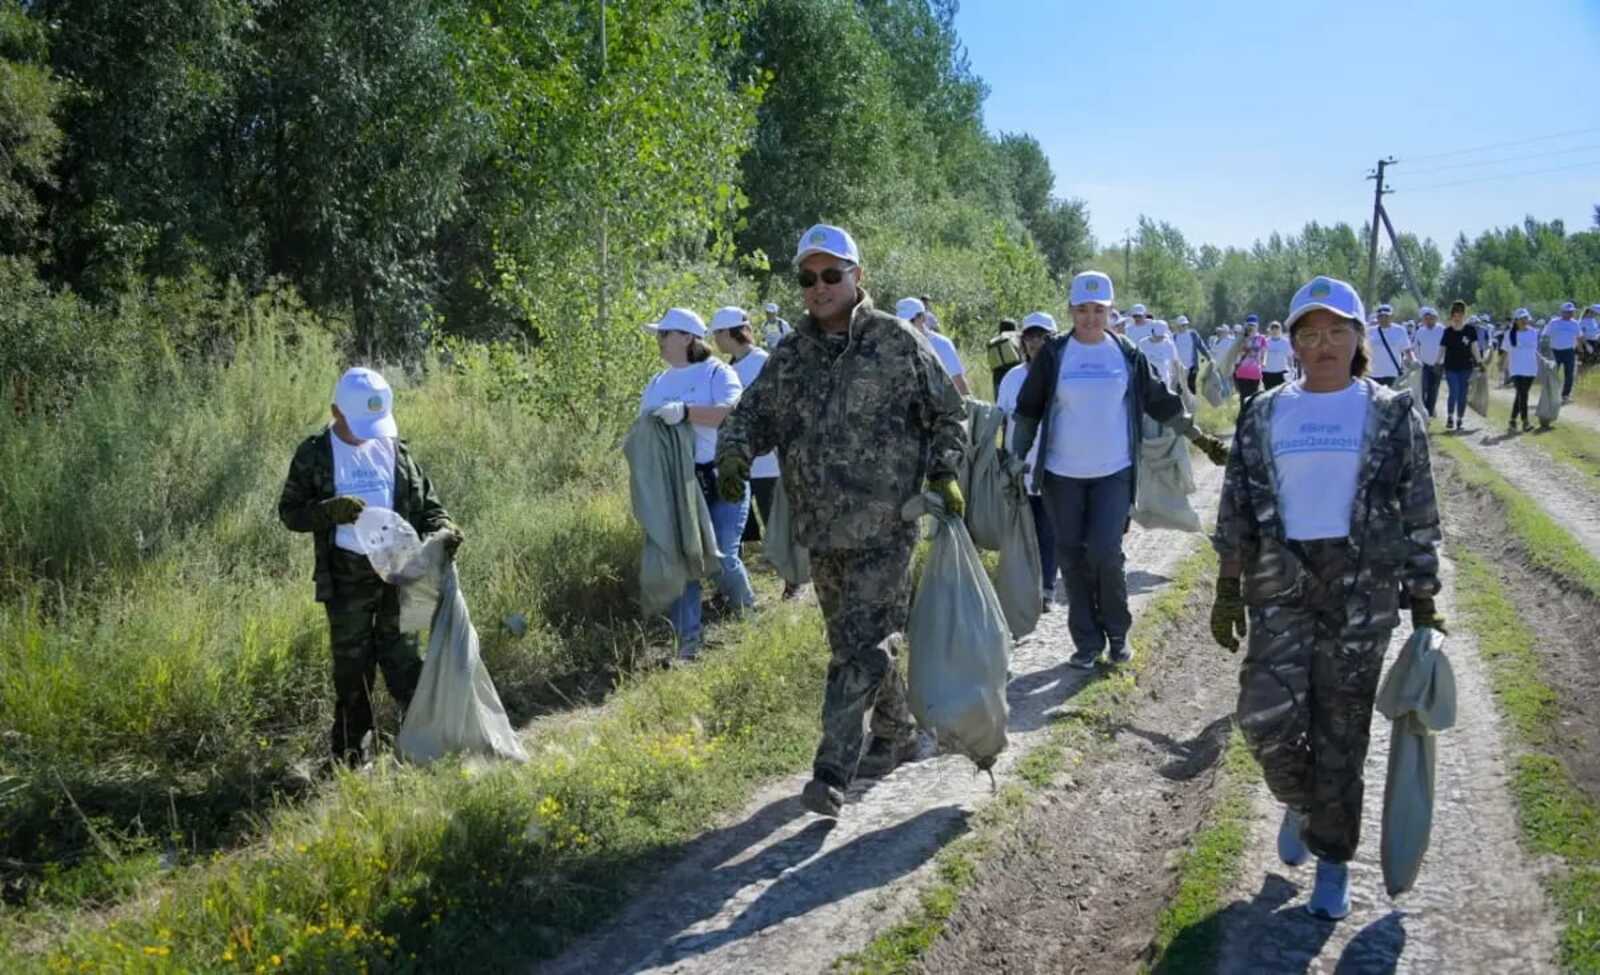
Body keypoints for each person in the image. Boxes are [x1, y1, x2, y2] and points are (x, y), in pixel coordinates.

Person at [1210, 274, 1442, 921]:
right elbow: (1236, 508)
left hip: (1361, 591)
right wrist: (1228, 586)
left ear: (1360, 338)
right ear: (1292, 344)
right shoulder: (1264, 412)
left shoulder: (1392, 413)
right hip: (1279, 584)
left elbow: (1420, 510)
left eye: (1337, 331)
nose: (1323, 344)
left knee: (1342, 732)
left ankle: (1333, 863)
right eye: (1309, 333)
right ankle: (1307, 804)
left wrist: (1424, 600)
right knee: (1264, 718)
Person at [717, 224, 967, 818]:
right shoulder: (792, 353)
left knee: (861, 648)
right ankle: (898, 731)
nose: (819, 287)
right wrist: (733, 453)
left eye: (832, 275)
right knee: (852, 642)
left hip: (887, 523)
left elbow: (947, 415)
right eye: (808, 277)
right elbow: (752, 415)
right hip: (822, 526)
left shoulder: (897, 341)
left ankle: (832, 769)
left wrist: (944, 473)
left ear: (858, 277)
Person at [1010, 271, 1229, 670]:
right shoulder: (1055, 354)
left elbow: (1161, 403)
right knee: (1072, 556)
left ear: (1112, 312)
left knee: (1105, 552)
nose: (1091, 318)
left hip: (1114, 472)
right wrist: (1014, 459)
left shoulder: (1126, 353)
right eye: (1082, 310)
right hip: (1062, 475)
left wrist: (1200, 439)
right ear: (1071, 310)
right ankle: (1087, 642)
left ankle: (1116, 632)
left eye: (1099, 310)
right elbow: (1027, 411)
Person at [278, 367, 463, 767]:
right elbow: (290, 513)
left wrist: (444, 532)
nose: (368, 433)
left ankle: (421, 751)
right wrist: (328, 512)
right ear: (335, 412)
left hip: (399, 578)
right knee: (352, 673)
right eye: (359, 423)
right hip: (347, 582)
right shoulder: (314, 455)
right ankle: (350, 760)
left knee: (406, 665)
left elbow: (431, 508)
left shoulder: (394, 450)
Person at [638, 307, 754, 661]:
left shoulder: (716, 372)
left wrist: (685, 412)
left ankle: (747, 611)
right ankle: (688, 642)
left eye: (664, 334)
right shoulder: (658, 382)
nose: (659, 341)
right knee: (685, 560)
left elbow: (728, 412)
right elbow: (643, 429)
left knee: (723, 558)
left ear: (687, 337)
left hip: (721, 476)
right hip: (681, 485)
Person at [712, 307, 805, 601]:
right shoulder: (726, 369)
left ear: (729, 333)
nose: (715, 340)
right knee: (735, 530)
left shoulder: (765, 362)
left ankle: (794, 582)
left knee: (776, 522)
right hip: (739, 463)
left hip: (769, 465)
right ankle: (729, 588)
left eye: (717, 334)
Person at [996, 311, 1063, 614]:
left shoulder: (1063, 374)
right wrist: (1001, 457)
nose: (1036, 342)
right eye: (1031, 336)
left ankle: (1047, 588)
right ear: (1022, 341)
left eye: (1042, 336)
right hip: (1019, 467)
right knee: (1024, 531)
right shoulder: (1012, 378)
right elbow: (1002, 421)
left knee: (1048, 529)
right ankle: (1026, 588)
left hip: (1054, 466)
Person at [897, 296, 971, 396]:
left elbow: (959, 383)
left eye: (910, 321)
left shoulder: (942, 345)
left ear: (922, 318)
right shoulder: (897, 346)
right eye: (901, 323)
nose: (905, 327)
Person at [1439, 300, 1482, 432]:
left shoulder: (1470, 330)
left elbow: (1474, 347)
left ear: (1464, 314)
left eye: (1460, 313)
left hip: (1466, 366)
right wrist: (1437, 362)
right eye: (1455, 313)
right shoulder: (1448, 332)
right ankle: (1450, 417)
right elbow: (1442, 348)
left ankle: (1459, 419)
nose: (1458, 316)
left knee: (1463, 394)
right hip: (1451, 366)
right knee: (1454, 392)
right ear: (1452, 315)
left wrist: (1480, 362)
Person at [1501, 309, 1539, 433]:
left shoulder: (1534, 332)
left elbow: (1534, 349)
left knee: (1521, 394)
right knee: (1523, 394)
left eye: (1526, 318)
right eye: (1521, 319)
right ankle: (1525, 422)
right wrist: (1502, 365)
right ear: (1516, 321)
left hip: (1531, 368)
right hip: (1516, 368)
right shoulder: (1509, 334)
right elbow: (1505, 352)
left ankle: (1512, 420)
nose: (1524, 321)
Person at [1364, 303, 1412, 387]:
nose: (1383, 319)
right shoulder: (1370, 331)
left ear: (1391, 317)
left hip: (1392, 373)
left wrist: (1412, 360)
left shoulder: (1400, 330)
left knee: (1390, 399)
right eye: (1380, 316)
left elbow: (1407, 349)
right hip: (1373, 374)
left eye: (1386, 316)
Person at [1543, 301, 1583, 402]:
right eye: (1567, 312)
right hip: (1555, 352)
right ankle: (1550, 393)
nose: (1570, 314)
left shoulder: (1575, 324)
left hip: (1569, 352)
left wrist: (1580, 349)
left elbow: (1579, 337)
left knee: (1569, 374)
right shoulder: (1554, 322)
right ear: (1562, 312)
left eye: (1571, 312)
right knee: (1553, 373)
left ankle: (1565, 395)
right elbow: (1546, 335)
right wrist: (1546, 350)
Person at [1412, 306, 1444, 417]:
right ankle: (1423, 410)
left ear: (1436, 318)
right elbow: (1415, 347)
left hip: (1438, 365)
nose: (1429, 320)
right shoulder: (1420, 331)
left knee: (1433, 389)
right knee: (1423, 388)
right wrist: (1417, 361)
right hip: (1424, 365)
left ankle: (1430, 412)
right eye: (1426, 318)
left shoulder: (1442, 330)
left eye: (1431, 318)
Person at [1233, 318, 1268, 408]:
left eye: (1253, 325)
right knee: (1243, 397)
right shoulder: (1241, 338)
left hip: (1255, 372)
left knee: (1253, 398)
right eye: (1249, 325)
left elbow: (1264, 352)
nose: (1251, 327)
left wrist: (1263, 362)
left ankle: (1251, 418)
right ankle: (1243, 418)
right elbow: (1236, 353)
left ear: (1257, 326)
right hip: (1242, 372)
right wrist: (1245, 339)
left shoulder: (1261, 338)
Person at [1172, 314, 1211, 393]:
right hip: (1179, 367)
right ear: (1177, 326)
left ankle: (1192, 404)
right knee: (1180, 388)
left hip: (1192, 366)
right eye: (1182, 325)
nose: (1184, 327)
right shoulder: (1174, 337)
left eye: (1185, 325)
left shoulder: (1193, 334)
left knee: (1191, 386)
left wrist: (1209, 357)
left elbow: (1201, 346)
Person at [1141, 320, 1181, 391]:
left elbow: (1176, 363)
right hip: (1146, 383)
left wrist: (1176, 380)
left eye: (1162, 336)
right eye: (1158, 336)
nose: (1161, 338)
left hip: (1165, 382)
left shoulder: (1169, 344)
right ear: (1152, 332)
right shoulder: (1143, 343)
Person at [988, 317, 1024, 393]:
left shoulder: (993, 342)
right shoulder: (1017, 339)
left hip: (998, 379)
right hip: (1015, 379)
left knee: (1000, 404)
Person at [1262, 321, 1294, 390]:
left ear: (1280, 330)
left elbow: (1290, 357)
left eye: (1277, 329)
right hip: (1267, 373)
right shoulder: (1265, 342)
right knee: (1268, 394)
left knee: (1281, 395)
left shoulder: (1286, 342)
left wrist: (1291, 369)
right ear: (1270, 330)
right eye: (1273, 329)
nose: (1275, 331)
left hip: (1281, 372)